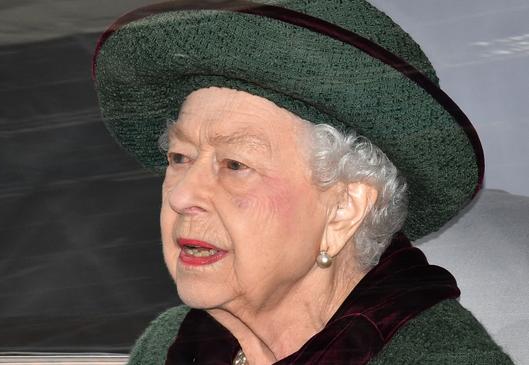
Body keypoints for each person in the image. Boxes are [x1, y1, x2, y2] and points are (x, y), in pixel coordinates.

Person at [92, 0, 514, 363]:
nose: (182, 195)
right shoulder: (173, 344)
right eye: (180, 157)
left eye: (235, 165)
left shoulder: (438, 357)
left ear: (343, 209)